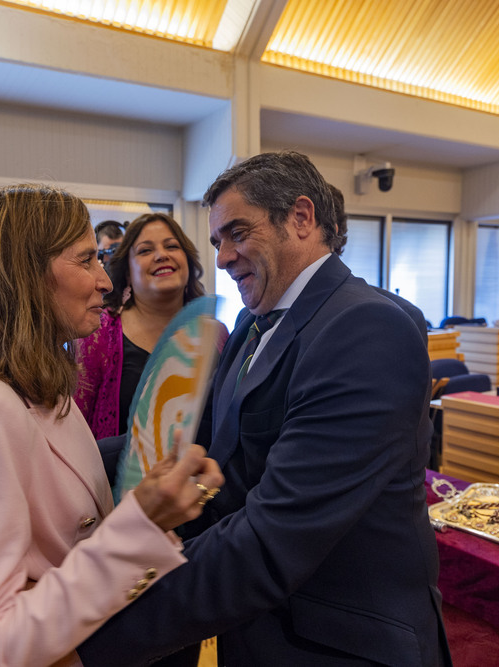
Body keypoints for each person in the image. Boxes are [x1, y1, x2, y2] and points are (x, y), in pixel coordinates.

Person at [79, 151, 451, 666]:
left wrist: (89, 639)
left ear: (301, 218)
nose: (224, 257)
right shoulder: (254, 326)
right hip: (261, 629)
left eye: (237, 233)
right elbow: (194, 438)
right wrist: (62, 458)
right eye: (216, 242)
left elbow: (275, 533)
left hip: (338, 645)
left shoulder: (367, 327)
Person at [0, 183, 224, 666]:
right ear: (24, 275)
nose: (105, 280)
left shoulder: (37, 383)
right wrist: (142, 524)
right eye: (86, 261)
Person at [74, 212, 225, 442]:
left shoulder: (218, 334)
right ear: (127, 272)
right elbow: (75, 434)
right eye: (145, 250)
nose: (161, 255)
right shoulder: (98, 334)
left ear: (188, 260)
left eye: (172, 246)